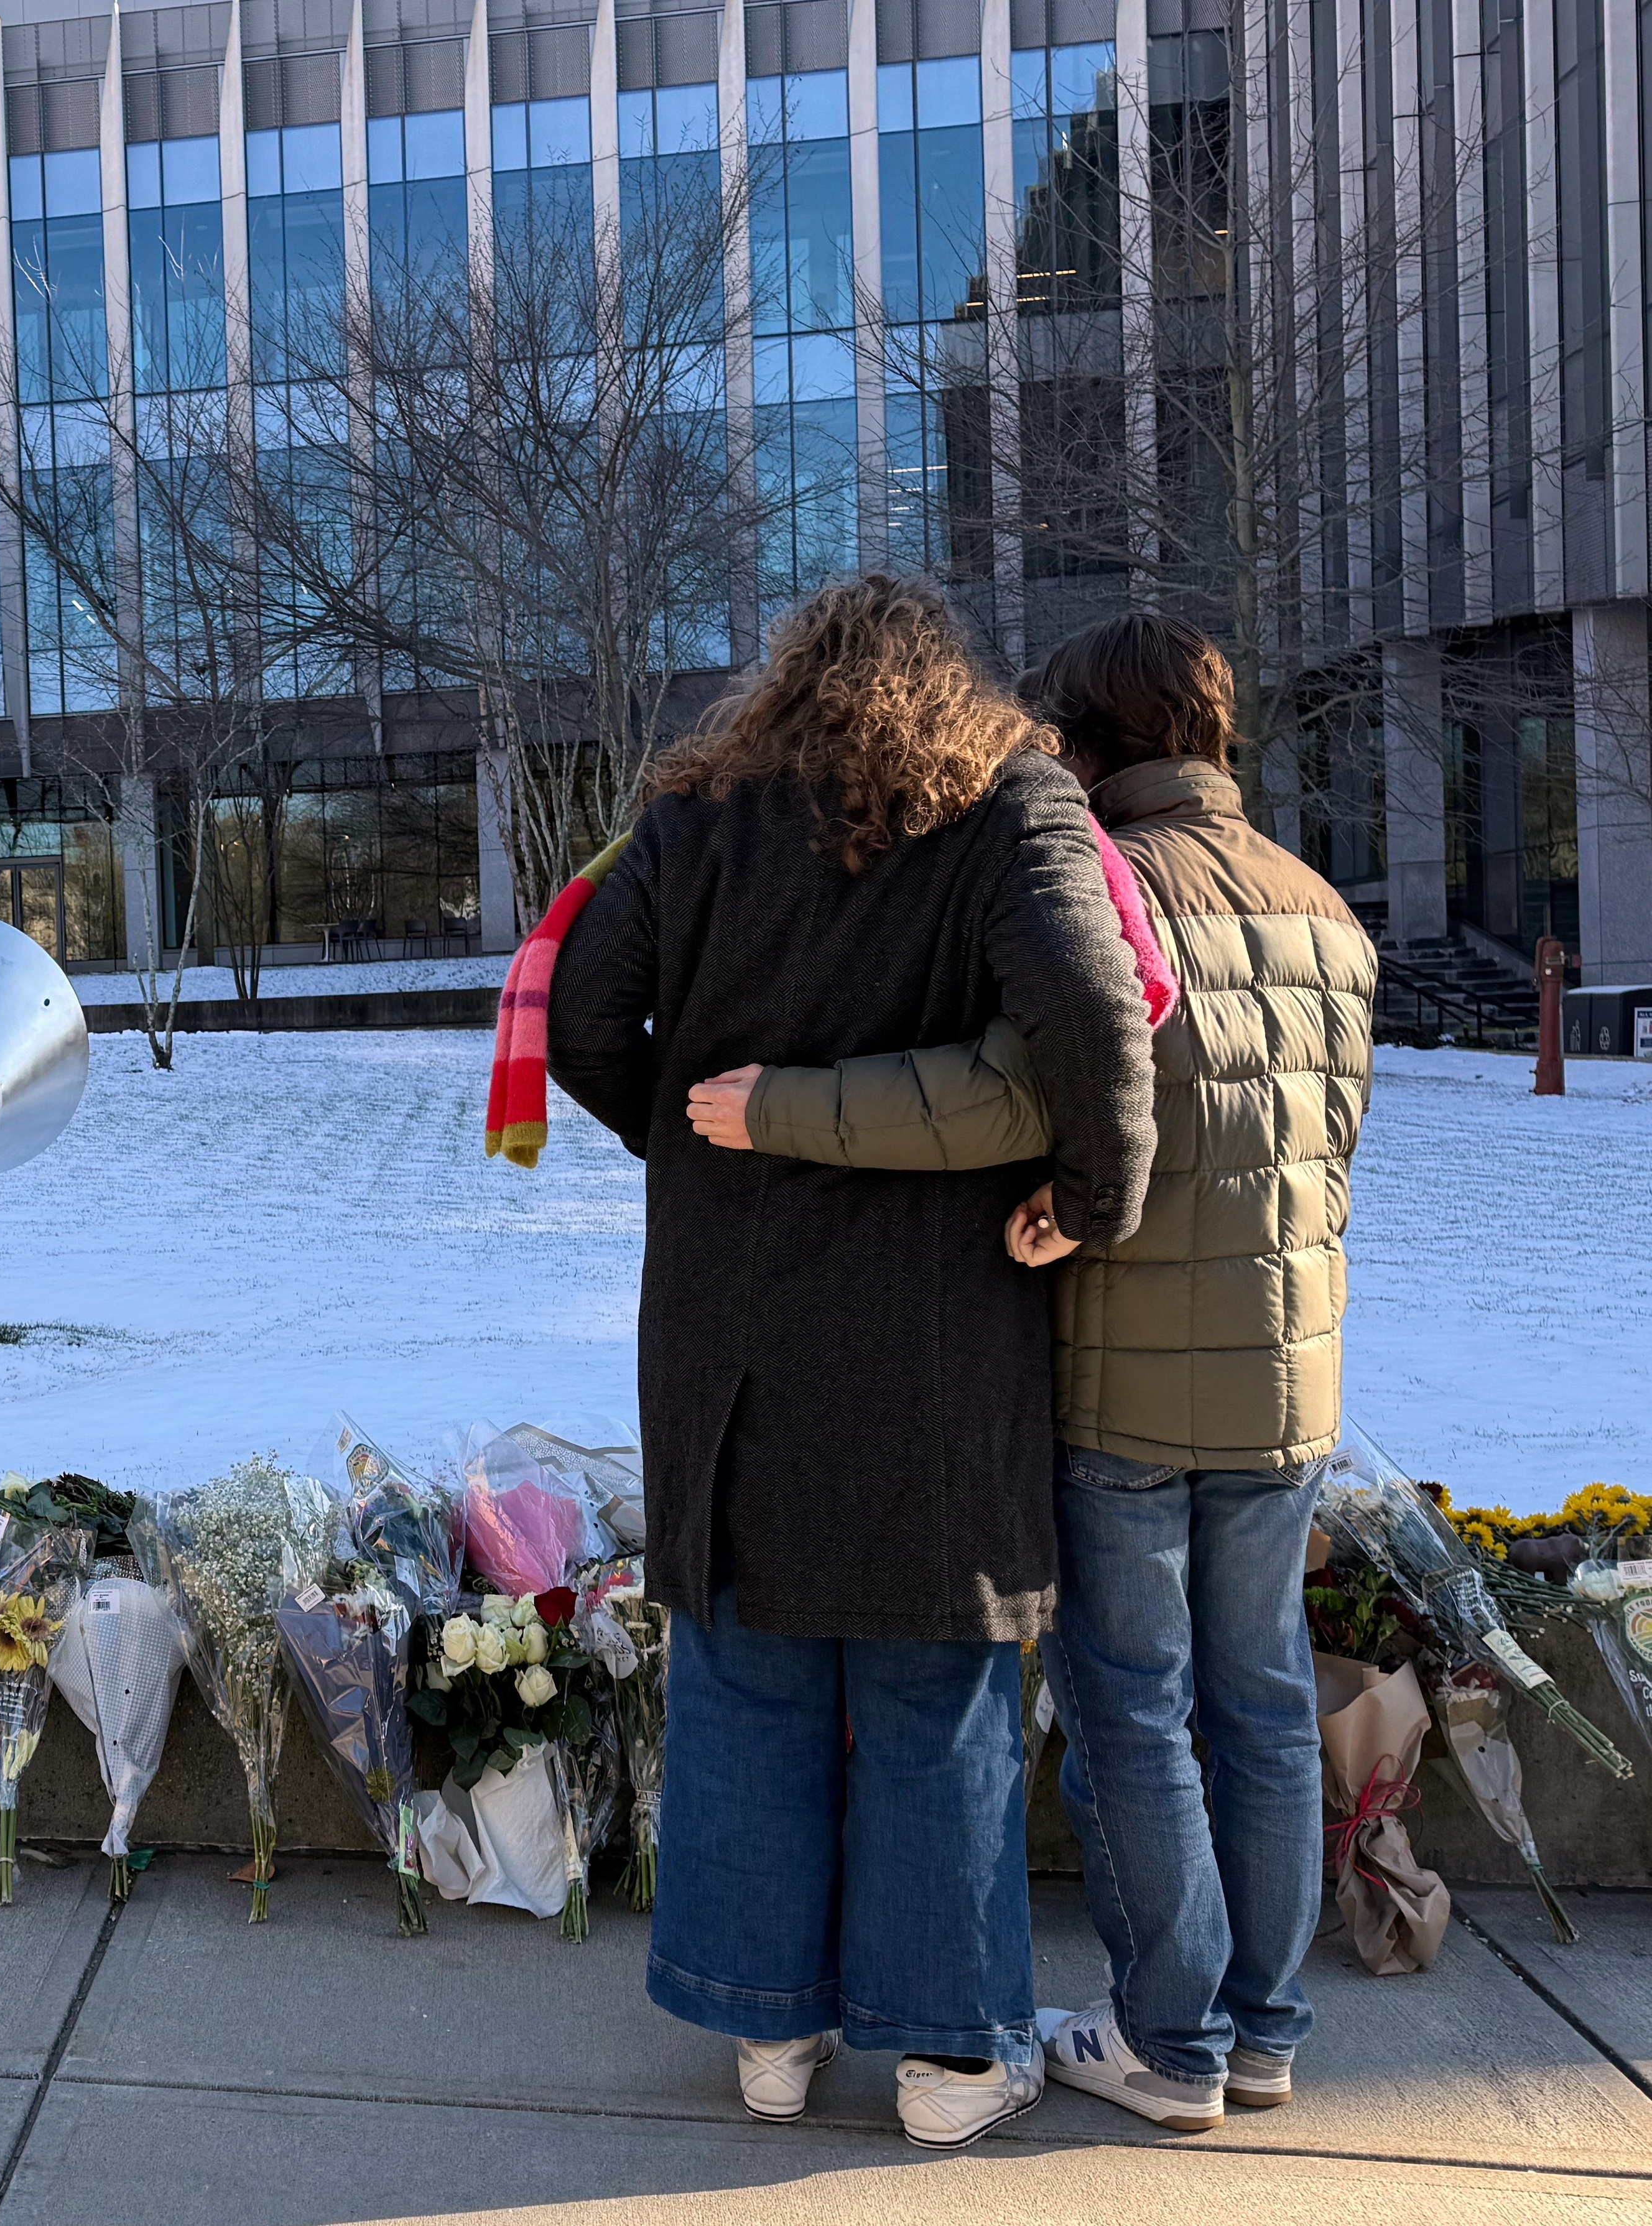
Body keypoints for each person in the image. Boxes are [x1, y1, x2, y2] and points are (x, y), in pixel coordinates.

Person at [681, 611, 1377, 2133]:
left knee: (1134, 1707)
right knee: (1261, 1703)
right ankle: (1264, 2028)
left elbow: (1005, 1089)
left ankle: (1172, 2040)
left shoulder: (1099, 881)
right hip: (1290, 1382)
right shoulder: (1327, 908)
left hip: (1122, 1375)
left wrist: (778, 1108)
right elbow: (1333, 1149)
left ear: (1087, 735)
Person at [549, 575, 1156, 2149]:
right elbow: (1095, 1012)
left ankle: (770, 2032)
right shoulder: (1012, 800)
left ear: (787, 679)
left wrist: (696, 1149)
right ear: (955, 680)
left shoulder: (702, 809)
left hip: (731, 1322)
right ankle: (952, 2056)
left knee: (748, 1670)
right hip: (933, 1320)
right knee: (932, 1677)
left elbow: (584, 1015)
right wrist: (1088, 1197)